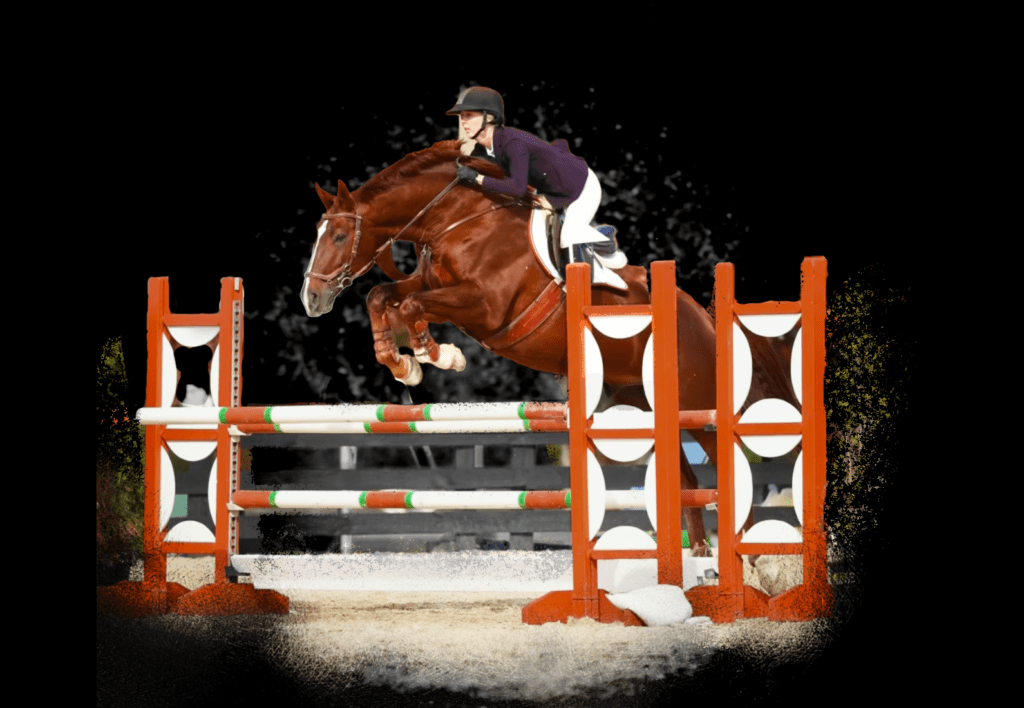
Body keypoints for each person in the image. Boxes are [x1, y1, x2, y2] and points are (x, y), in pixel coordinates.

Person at [445, 86, 621, 263]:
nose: (463, 122)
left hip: (580, 185)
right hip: (550, 190)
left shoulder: (514, 144)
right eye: (461, 117)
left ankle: (604, 238)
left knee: (569, 237)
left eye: (468, 115)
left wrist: (477, 178)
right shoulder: (481, 150)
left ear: (489, 117)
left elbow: (518, 188)